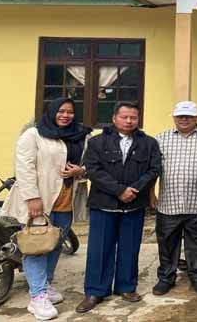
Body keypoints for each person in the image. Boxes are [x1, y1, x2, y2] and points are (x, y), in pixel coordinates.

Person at [2, 97, 92, 321]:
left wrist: (80, 171)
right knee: (35, 245)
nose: (65, 115)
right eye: (61, 111)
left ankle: (46, 284)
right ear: (51, 112)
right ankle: (37, 296)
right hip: (40, 199)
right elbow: (24, 167)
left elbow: (91, 163)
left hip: (67, 199)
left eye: (70, 112)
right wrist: (32, 198)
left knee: (54, 244)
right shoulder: (33, 135)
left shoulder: (82, 135)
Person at [76, 102, 162, 313]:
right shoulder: (97, 142)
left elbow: (154, 169)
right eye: (124, 117)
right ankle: (95, 291)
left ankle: (126, 287)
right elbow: (93, 170)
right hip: (103, 205)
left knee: (130, 248)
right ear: (114, 118)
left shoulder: (149, 143)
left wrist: (134, 189)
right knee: (99, 249)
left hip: (134, 204)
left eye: (133, 117)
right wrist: (119, 191)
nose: (129, 121)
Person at [150, 101, 197, 296]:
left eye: (189, 116)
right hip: (168, 202)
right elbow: (153, 169)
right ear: (174, 117)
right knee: (167, 241)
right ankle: (166, 277)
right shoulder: (161, 138)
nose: (184, 119)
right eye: (180, 116)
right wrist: (150, 192)